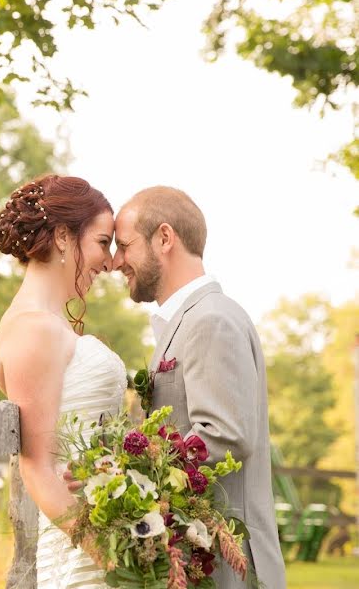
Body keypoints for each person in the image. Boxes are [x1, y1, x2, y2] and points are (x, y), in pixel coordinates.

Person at [108, 186, 287, 588]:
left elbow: (224, 435)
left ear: (165, 238)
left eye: (125, 245)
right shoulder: (190, 321)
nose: (116, 261)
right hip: (199, 558)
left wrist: (126, 474)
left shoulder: (211, 321)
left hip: (229, 567)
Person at [0, 174, 122, 588]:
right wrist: (117, 557)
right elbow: (39, 468)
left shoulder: (45, 325)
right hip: (83, 557)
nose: (111, 261)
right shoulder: (34, 330)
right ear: (64, 236)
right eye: (103, 242)